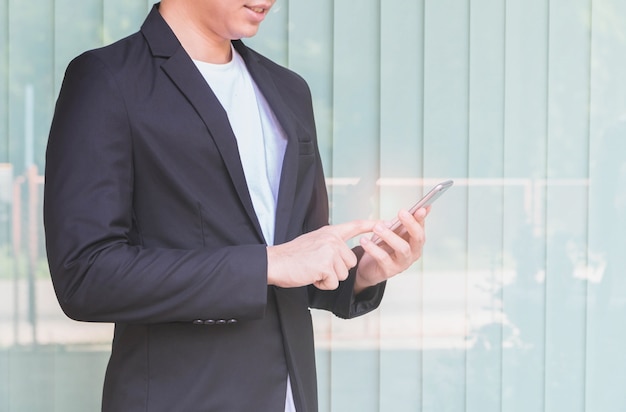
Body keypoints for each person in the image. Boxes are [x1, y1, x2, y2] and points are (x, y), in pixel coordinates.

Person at [43, 1, 428, 411]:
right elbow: (84, 277)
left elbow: (295, 264)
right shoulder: (108, 79)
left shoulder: (289, 90)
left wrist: (363, 272)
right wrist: (266, 264)